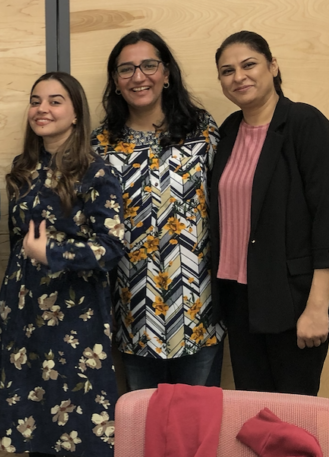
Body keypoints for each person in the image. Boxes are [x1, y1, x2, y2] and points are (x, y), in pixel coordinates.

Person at [0, 72, 125, 457]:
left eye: (54, 101)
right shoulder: (23, 169)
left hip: (74, 319)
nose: (42, 109)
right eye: (36, 100)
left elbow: (112, 248)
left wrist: (54, 254)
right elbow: (20, 241)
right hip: (23, 313)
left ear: (76, 114)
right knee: (31, 425)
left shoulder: (96, 172)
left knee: (76, 425)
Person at [91, 29, 225, 390]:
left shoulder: (203, 130)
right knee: (145, 430)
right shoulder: (101, 144)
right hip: (135, 310)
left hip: (200, 308)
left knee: (197, 428)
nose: (138, 76)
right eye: (126, 69)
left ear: (167, 73)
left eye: (149, 65)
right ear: (115, 82)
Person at [210, 31, 329, 395]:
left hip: (293, 301)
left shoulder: (304, 123)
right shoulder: (229, 129)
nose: (239, 77)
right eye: (227, 71)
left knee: (292, 421)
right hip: (239, 299)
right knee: (252, 413)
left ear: (272, 65)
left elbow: (326, 215)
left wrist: (318, 308)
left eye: (249, 65)